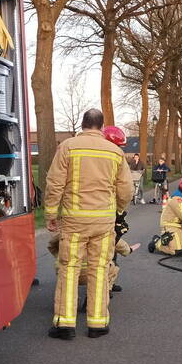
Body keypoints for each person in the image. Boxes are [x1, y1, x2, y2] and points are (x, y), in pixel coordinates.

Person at [44, 109, 133, 339]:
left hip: (74, 222)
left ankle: (65, 325)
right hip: (103, 222)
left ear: (83, 124)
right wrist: (119, 209)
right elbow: (126, 189)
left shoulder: (68, 147)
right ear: (101, 127)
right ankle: (97, 324)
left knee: (70, 269)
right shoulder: (115, 152)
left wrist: (51, 213)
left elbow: (55, 183)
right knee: (99, 270)